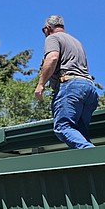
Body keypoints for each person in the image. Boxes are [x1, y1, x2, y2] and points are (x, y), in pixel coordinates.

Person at [34, 15, 98, 149]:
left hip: (70, 86)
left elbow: (52, 58)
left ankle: (93, 153)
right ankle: (91, 162)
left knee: (62, 127)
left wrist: (40, 85)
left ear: (47, 28)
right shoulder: (76, 42)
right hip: (89, 88)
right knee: (79, 133)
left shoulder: (52, 38)